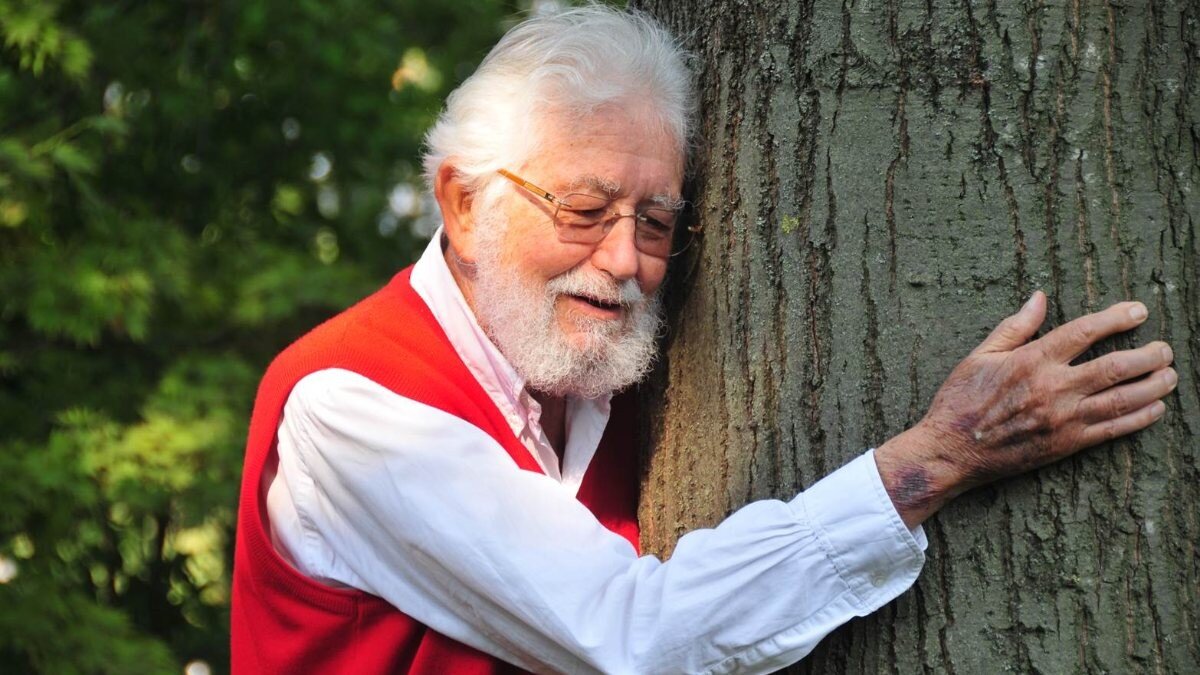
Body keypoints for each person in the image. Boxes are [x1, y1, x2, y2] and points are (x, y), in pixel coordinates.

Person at [230, 5, 1177, 674]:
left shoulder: (610, 375)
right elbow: (632, 635)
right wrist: (937, 459)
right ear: (465, 204)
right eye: (583, 209)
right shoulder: (352, 405)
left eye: (655, 222)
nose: (624, 261)